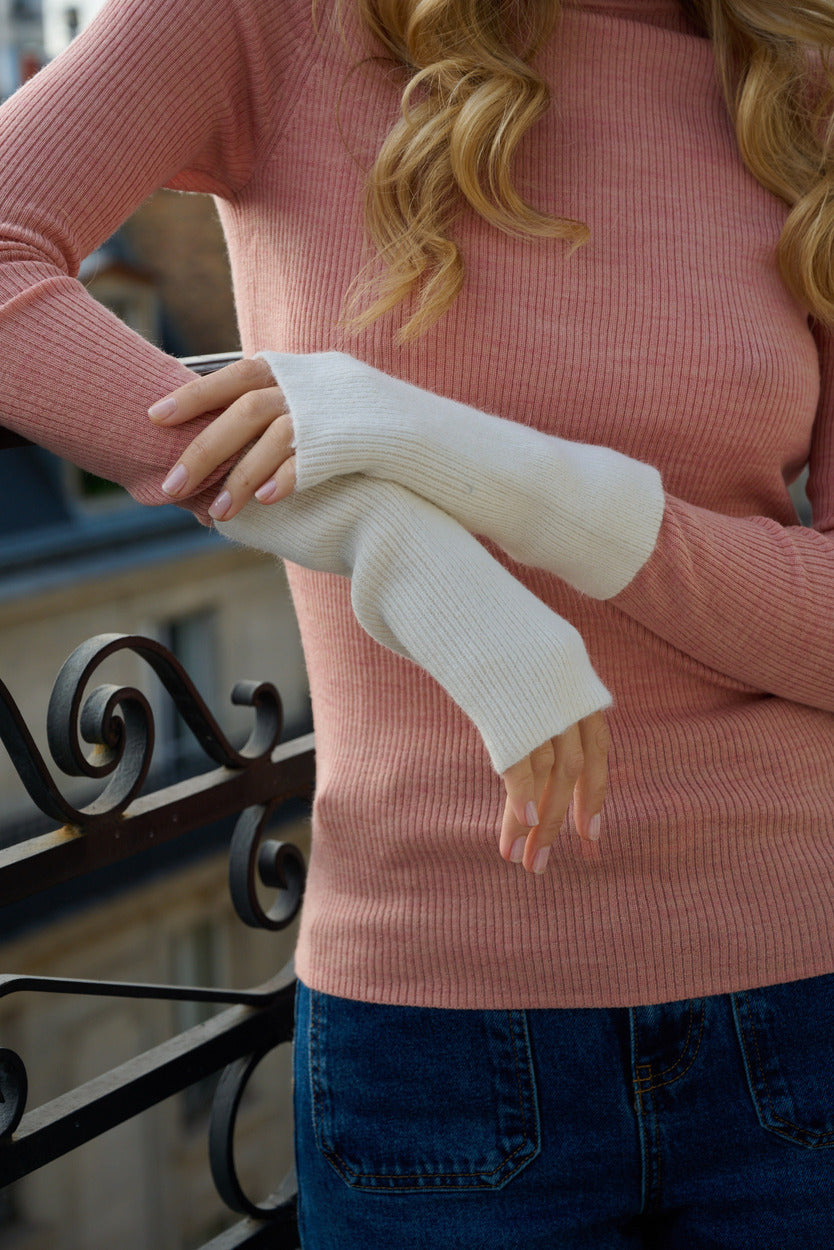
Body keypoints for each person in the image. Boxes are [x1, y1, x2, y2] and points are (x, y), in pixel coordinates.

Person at [1, 0, 834, 1244]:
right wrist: (402, 552)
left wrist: (468, 459)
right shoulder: (271, 22)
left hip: (805, 1001)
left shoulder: (801, 77)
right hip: (441, 1031)